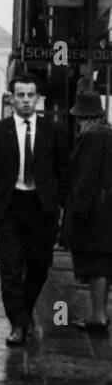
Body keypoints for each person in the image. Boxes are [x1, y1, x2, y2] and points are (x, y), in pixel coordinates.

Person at [0, 73, 71, 346]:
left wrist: (60, 204)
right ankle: (18, 324)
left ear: (38, 98)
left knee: (40, 266)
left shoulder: (54, 131)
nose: (26, 100)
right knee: (10, 267)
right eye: (21, 95)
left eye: (31, 95)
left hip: (42, 209)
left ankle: (24, 311)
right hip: (10, 207)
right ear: (11, 98)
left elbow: (65, 173)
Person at [64, 92, 112, 332]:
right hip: (105, 212)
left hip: (94, 214)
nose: (78, 123)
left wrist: (76, 209)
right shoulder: (108, 134)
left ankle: (98, 316)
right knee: (102, 264)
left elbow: (86, 175)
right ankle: (100, 313)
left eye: (79, 118)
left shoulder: (92, 136)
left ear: (87, 117)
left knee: (95, 266)